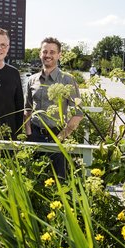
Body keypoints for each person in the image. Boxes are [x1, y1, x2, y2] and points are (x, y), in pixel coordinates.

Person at [24, 37, 83, 178]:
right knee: (34, 178)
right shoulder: (32, 80)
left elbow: (78, 113)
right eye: (45, 51)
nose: (48, 55)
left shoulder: (68, 80)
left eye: (52, 52)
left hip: (58, 136)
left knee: (59, 179)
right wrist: (29, 134)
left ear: (59, 55)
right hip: (35, 134)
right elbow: (27, 109)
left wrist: (61, 136)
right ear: (40, 54)